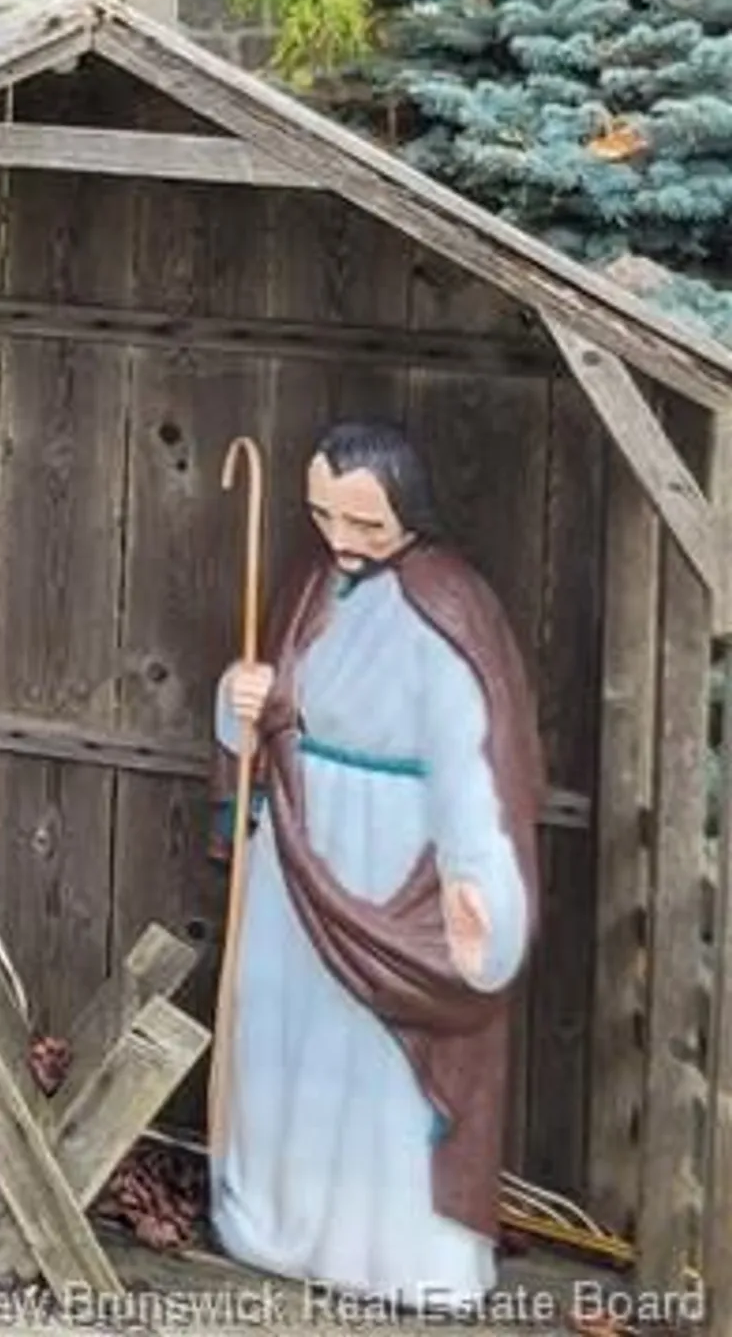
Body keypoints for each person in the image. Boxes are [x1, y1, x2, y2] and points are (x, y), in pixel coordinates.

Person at [211, 418, 544, 1308]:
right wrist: (247, 702)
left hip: (398, 857)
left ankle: (402, 1251)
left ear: (410, 512)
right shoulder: (312, 583)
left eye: (366, 524)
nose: (342, 541)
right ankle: (281, 1219)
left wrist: (479, 881)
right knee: (283, 1030)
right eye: (326, 517)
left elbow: (477, 760)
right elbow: (277, 706)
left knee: (378, 1061)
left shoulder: (450, 603)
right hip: (302, 838)